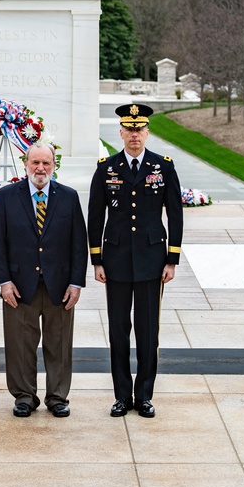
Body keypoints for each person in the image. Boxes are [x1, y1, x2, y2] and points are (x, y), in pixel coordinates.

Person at [88, 103, 183, 418]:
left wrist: (172, 258)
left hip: (151, 260)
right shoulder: (106, 168)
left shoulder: (163, 167)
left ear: (147, 132)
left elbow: (175, 215)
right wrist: (97, 260)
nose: (134, 135)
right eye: (129, 129)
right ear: (120, 133)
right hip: (115, 261)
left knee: (147, 332)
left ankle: (143, 395)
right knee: (118, 331)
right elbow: (95, 215)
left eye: (139, 129)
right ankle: (121, 396)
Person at [0, 143, 88, 418]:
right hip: (19, 287)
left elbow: (79, 243)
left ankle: (57, 396)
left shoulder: (68, 197)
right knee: (20, 344)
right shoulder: (7, 196)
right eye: (35, 163)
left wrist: (76, 283)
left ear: (54, 166)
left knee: (58, 343)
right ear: (26, 164)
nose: (40, 168)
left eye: (46, 163)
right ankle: (24, 396)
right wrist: (4, 281)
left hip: (59, 286)